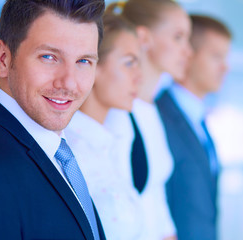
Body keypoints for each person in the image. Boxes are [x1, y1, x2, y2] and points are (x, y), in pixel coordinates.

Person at [0, 0, 106, 239]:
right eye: (49, 57)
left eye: (84, 61)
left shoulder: (57, 151)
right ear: (3, 59)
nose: (68, 83)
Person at [111, 0, 192, 239]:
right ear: (144, 38)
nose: (188, 51)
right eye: (178, 37)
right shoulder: (118, 110)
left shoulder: (151, 109)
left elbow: (156, 204)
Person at [65, 3, 142, 239]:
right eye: (129, 63)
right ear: (94, 65)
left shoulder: (113, 143)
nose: (139, 77)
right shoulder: (68, 154)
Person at [155, 15, 232, 240]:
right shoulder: (158, 117)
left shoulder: (199, 122)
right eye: (217, 56)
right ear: (188, 54)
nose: (225, 67)